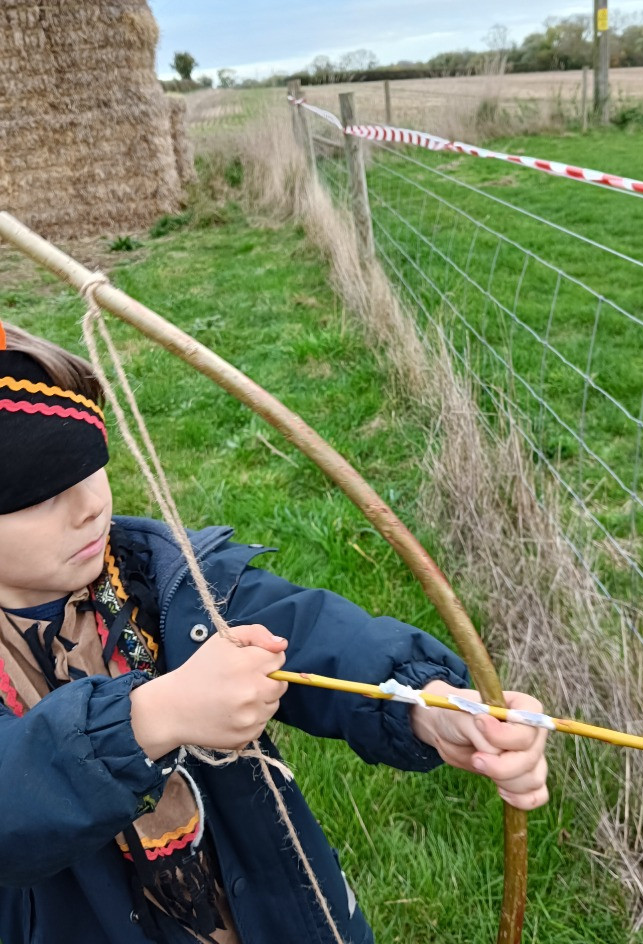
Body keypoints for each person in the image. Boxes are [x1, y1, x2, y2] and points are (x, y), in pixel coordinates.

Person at [0, 320, 548, 944]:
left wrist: (431, 707)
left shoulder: (160, 579)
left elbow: (309, 636)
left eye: (91, 466)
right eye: (39, 495)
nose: (90, 505)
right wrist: (148, 720)